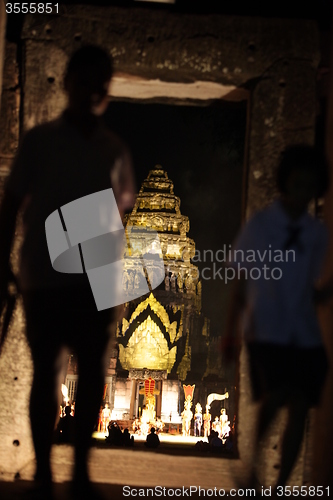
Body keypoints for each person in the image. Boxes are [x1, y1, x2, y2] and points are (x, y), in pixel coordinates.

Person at [0, 45, 135, 499]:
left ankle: (78, 469)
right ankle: (42, 471)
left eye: (102, 86)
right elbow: (10, 204)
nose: (94, 93)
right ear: (68, 84)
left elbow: (120, 218)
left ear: (107, 93)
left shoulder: (114, 151)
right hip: (44, 274)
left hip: (93, 278)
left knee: (94, 372)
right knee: (47, 371)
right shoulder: (40, 141)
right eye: (86, 82)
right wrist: (2, 262)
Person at [223, 145, 333, 491]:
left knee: (301, 406)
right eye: (298, 185)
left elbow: (312, 288)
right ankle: (253, 465)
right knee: (277, 393)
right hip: (266, 327)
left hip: (304, 331)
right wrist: (230, 331)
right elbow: (239, 282)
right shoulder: (261, 225)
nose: (303, 195)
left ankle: (281, 485)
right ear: (285, 183)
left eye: (310, 188)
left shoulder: (317, 234)